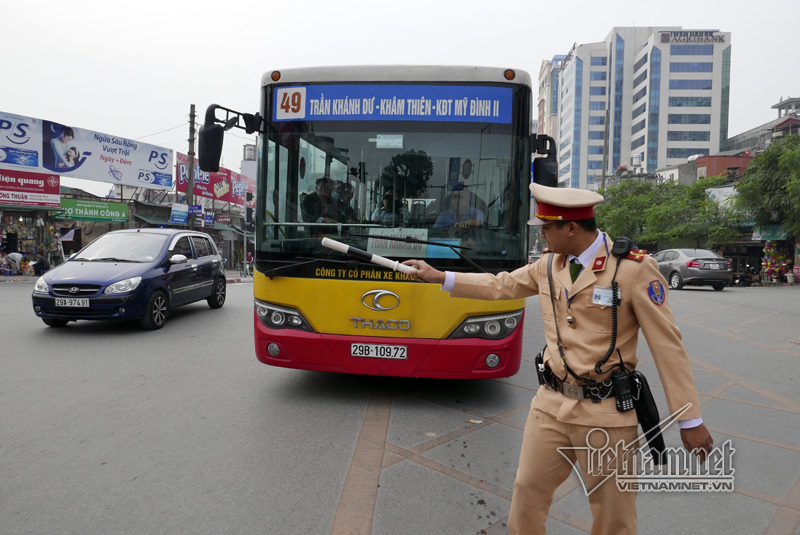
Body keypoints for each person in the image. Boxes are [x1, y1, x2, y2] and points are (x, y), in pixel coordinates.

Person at [405, 183, 713, 535]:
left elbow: (668, 347)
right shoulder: (549, 265)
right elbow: (500, 285)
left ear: (571, 228)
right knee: (526, 494)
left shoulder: (633, 270)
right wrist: (439, 276)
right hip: (550, 406)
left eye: (547, 228)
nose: (542, 236)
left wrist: (690, 421)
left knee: (614, 516)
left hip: (607, 415)